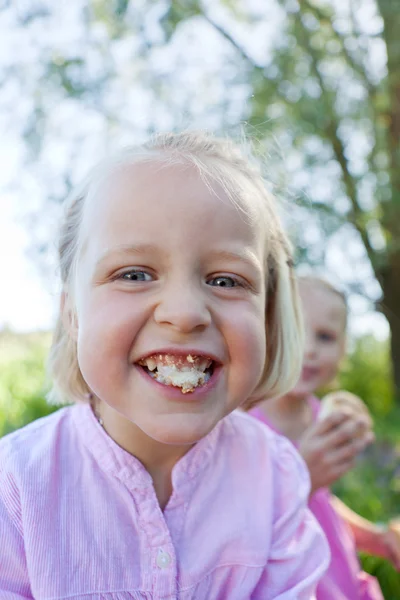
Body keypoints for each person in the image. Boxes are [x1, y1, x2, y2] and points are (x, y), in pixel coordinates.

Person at [0, 132, 329, 598]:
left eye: (226, 280)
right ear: (72, 313)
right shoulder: (14, 487)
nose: (186, 311)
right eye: (134, 274)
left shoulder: (274, 477)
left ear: (269, 318)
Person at [249, 275, 399, 599]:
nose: (309, 349)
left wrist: (375, 538)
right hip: (298, 584)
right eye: (295, 330)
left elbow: (322, 503)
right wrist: (301, 477)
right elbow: (239, 523)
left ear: (343, 351)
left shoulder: (322, 416)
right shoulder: (244, 425)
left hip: (341, 575)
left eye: (325, 337)